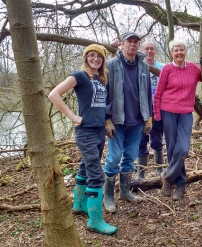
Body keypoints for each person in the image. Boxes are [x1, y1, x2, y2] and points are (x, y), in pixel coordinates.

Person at [48, 44, 117, 235]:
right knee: (96, 174)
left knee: (86, 166)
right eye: (91, 56)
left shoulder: (101, 78)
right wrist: (72, 116)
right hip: (85, 131)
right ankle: (95, 220)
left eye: (99, 57)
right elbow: (53, 94)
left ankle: (79, 204)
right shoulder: (79, 76)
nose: (95, 59)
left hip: (98, 131)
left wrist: (113, 52)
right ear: (86, 58)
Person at [154, 38, 202, 201]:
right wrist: (157, 115)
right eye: (176, 50)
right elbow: (158, 94)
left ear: (185, 51)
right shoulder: (167, 69)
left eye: (181, 49)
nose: (179, 53)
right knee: (171, 148)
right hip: (167, 111)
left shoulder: (193, 68)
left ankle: (168, 177)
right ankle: (180, 184)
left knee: (182, 149)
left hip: (185, 113)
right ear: (172, 53)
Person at [103, 31, 152, 212]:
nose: (132, 45)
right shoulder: (111, 64)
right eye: (129, 42)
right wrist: (106, 120)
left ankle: (125, 191)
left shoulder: (143, 66)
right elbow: (105, 94)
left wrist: (149, 118)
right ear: (122, 45)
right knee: (114, 157)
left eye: (135, 42)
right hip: (117, 121)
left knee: (130, 157)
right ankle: (108, 195)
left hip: (137, 120)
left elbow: (147, 93)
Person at [136, 39, 165, 179]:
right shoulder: (137, 67)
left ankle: (160, 170)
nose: (149, 51)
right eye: (146, 48)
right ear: (142, 50)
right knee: (141, 140)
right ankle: (141, 173)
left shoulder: (162, 68)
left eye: (151, 48)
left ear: (156, 51)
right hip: (140, 111)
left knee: (157, 140)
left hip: (157, 110)